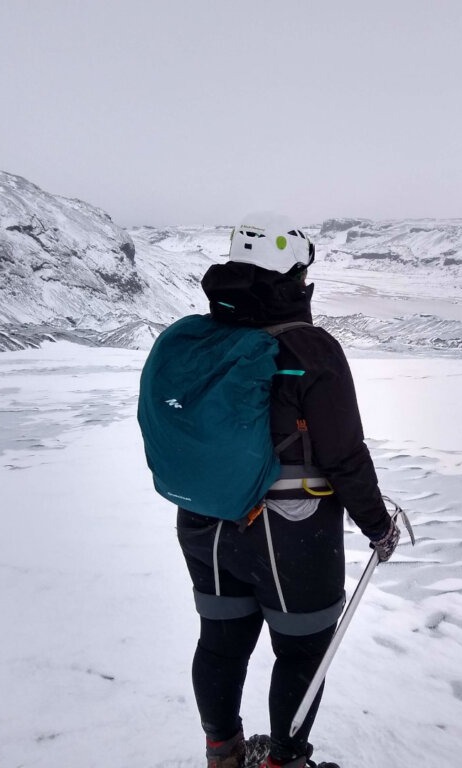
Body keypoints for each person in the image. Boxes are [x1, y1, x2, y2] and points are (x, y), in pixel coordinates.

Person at [175, 212, 400, 768]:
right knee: (302, 650)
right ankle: (284, 763)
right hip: (290, 527)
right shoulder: (310, 350)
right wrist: (378, 524)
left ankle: (223, 754)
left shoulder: (201, 339)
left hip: (204, 517)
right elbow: (343, 453)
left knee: (222, 643)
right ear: (295, 277)